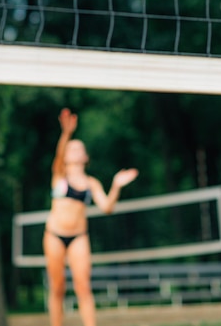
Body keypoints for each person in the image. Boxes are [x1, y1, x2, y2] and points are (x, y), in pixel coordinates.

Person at [44, 108, 139, 326]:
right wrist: (66, 133)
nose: (76, 150)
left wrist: (116, 185)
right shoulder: (60, 176)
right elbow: (57, 157)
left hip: (78, 236)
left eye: (79, 148)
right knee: (58, 288)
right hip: (54, 235)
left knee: (83, 286)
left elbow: (107, 207)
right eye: (72, 148)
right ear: (66, 155)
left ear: (86, 157)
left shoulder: (92, 183)